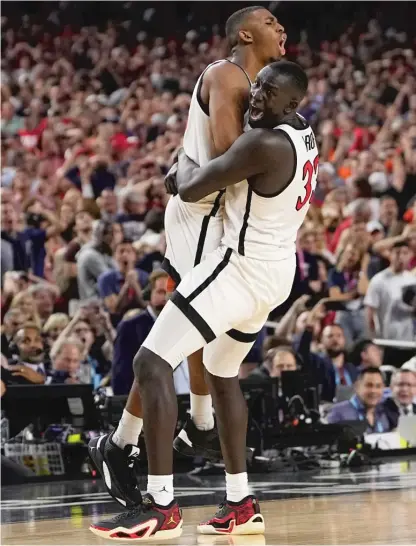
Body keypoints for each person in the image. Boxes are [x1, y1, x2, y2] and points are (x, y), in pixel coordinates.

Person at [90, 60, 313, 540]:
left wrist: (183, 161)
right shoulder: (301, 132)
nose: (255, 96)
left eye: (268, 93)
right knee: (222, 372)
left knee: (150, 362)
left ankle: (161, 506)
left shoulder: (262, 142)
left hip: (241, 267)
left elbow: (191, 186)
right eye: (257, 86)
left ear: (290, 104)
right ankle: (240, 502)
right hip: (277, 272)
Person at [111, 270, 168, 395]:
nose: (166, 298)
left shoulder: (183, 326)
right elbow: (121, 374)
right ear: (149, 294)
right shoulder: (130, 327)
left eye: (171, 293)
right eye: (161, 292)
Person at [327, 367, 390, 433]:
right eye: (369, 385)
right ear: (357, 386)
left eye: (378, 386)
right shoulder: (338, 412)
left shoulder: (383, 412)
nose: (373, 391)